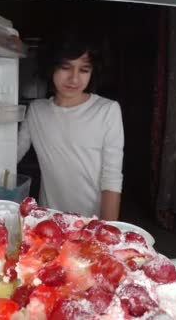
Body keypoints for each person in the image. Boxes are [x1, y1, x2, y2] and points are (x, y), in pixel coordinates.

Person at [17, 31, 124, 220]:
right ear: (51, 67)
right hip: (49, 221)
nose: (74, 79)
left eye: (84, 70)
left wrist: (108, 231)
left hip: (91, 221)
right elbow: (12, 154)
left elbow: (112, 178)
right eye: (65, 67)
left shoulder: (107, 110)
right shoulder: (36, 111)